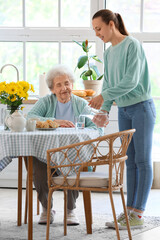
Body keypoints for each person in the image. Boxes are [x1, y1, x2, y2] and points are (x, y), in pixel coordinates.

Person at [89, 9, 156, 229]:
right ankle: (129, 212)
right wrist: (105, 110)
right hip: (124, 110)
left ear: (111, 24)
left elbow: (131, 81)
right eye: (95, 30)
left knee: (143, 161)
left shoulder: (132, 45)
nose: (97, 33)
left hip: (141, 108)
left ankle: (138, 213)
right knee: (129, 161)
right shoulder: (109, 53)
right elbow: (108, 83)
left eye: (99, 29)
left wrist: (104, 97)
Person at [27, 64, 101, 225]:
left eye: (67, 83)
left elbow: (96, 127)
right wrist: (56, 121)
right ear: (52, 89)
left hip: (73, 152)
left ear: (72, 85)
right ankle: (47, 209)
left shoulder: (81, 103)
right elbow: (30, 118)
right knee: (37, 166)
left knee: (73, 162)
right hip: (46, 153)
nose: (64, 88)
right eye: (58, 85)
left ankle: (70, 210)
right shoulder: (46, 101)